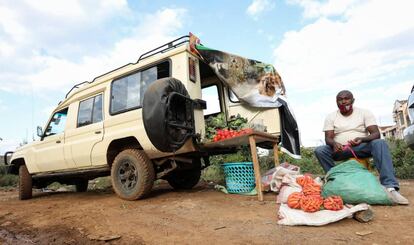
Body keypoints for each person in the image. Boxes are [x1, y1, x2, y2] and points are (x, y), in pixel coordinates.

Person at [314, 90, 409, 205]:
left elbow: (375, 134)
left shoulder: (364, 113)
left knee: (379, 143)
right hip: (340, 150)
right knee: (320, 150)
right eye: (340, 99)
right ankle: (335, 180)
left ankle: (390, 187)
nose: (343, 101)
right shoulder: (331, 116)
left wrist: (362, 139)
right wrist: (334, 144)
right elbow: (328, 138)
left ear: (353, 100)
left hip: (361, 147)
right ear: (336, 102)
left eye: (346, 98)